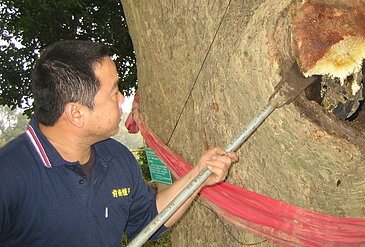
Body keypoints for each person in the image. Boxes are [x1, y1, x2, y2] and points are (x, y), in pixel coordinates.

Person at [0, 40, 237, 246]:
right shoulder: (9, 175)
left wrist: (198, 176)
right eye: (114, 92)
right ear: (76, 113)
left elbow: (148, 218)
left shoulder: (115, 156)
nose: (123, 98)